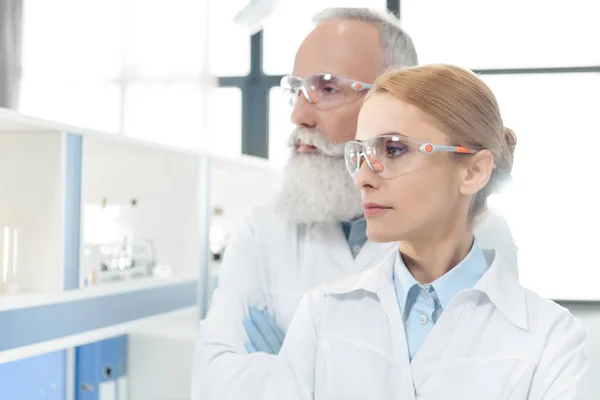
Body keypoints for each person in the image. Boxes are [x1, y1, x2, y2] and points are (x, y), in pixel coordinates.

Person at [192, 8, 517, 400]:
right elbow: (212, 383)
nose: (299, 115)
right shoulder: (262, 230)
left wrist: (292, 364)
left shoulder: (476, 233)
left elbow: (476, 387)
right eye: (295, 89)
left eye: (327, 89)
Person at [263, 64, 590, 399]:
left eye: (392, 150)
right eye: (360, 153)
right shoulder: (323, 312)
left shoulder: (551, 338)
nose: (362, 178)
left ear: (473, 171)